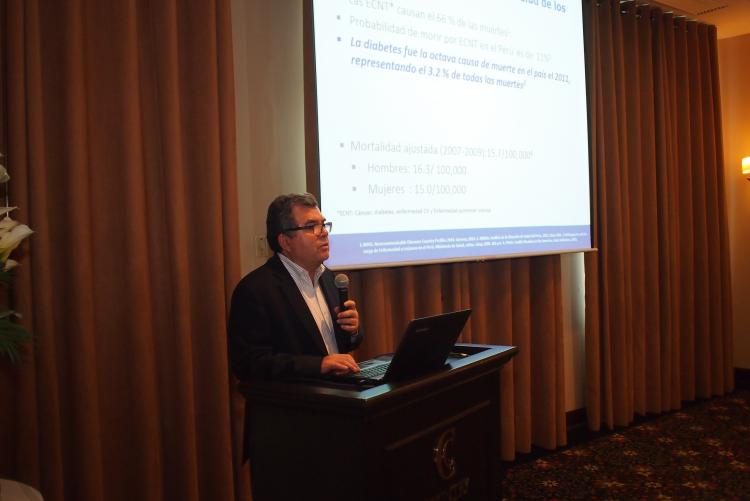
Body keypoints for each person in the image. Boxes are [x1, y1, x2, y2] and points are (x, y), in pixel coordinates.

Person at [228, 193, 362, 381]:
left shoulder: (329, 278)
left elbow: (344, 344)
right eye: (311, 226)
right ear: (285, 241)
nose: (323, 232)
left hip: (339, 391)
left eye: (323, 224)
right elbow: (250, 362)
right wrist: (318, 365)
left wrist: (352, 331)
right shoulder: (255, 290)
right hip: (297, 397)